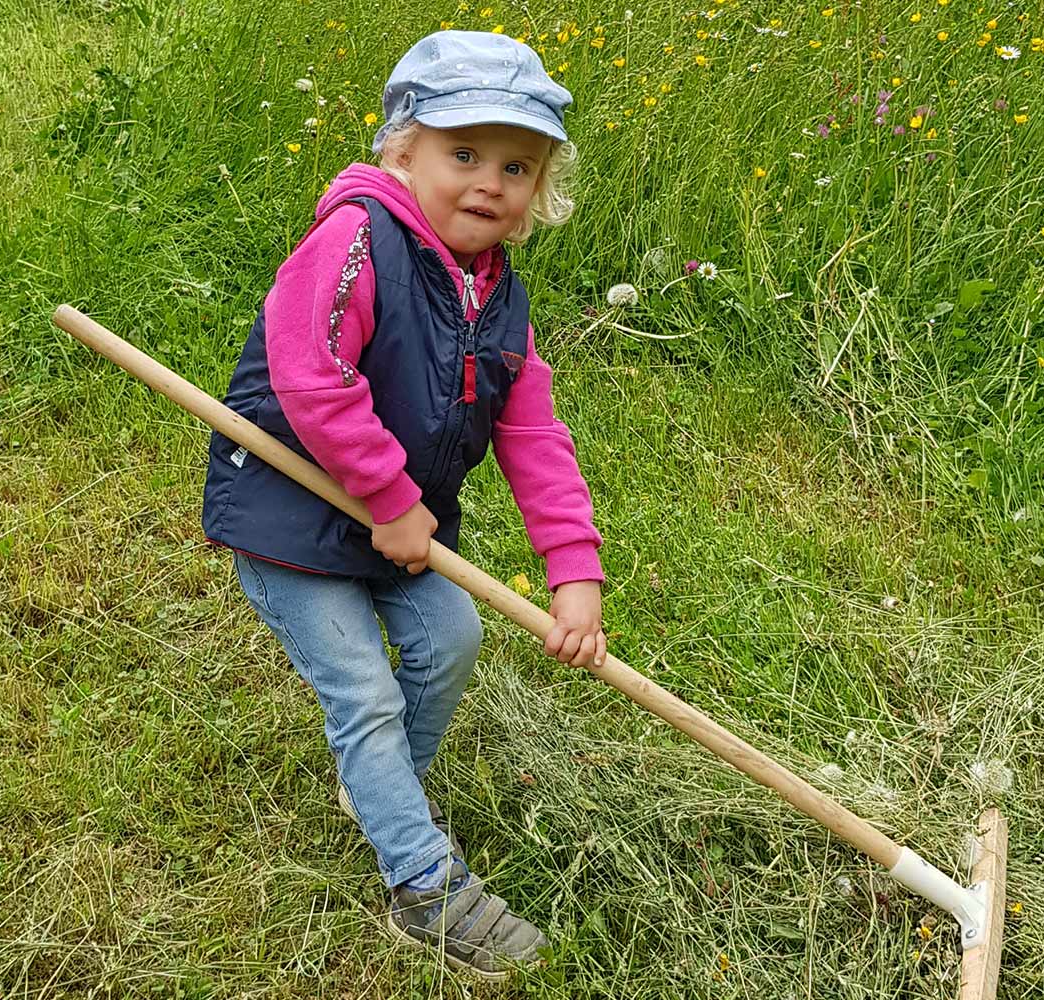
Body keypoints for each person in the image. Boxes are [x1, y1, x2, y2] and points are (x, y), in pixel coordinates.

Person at [201, 29, 607, 980]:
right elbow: (313, 374)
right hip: (292, 511)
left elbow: (534, 435)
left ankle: (383, 792)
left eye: (515, 166)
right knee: (364, 691)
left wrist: (573, 568)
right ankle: (424, 881)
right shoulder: (355, 237)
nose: (489, 183)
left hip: (399, 529)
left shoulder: (498, 297)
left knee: (452, 637)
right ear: (402, 149)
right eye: (463, 153)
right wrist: (388, 495)